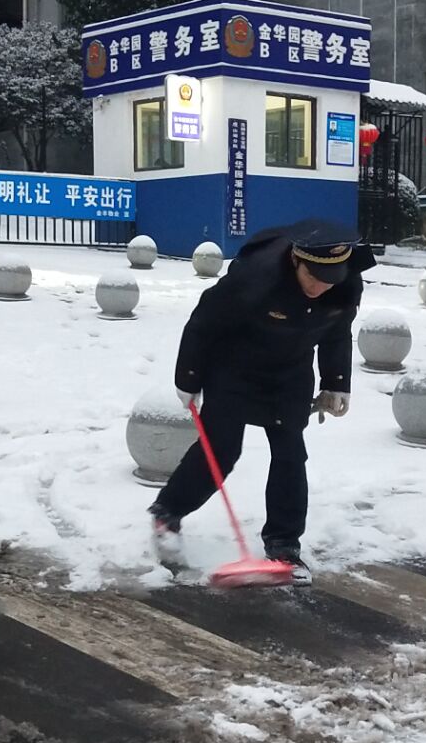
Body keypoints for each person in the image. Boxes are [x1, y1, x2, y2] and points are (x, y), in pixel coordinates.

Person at [149, 220, 375, 583]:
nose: (321, 286)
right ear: (296, 261)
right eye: (314, 276)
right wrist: (188, 378)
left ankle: (284, 546)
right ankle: (168, 512)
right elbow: (204, 321)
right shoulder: (256, 276)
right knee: (221, 451)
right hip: (234, 368)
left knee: (290, 454)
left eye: (329, 279)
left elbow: (336, 331)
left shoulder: (344, 282)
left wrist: (336, 383)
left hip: (290, 374)